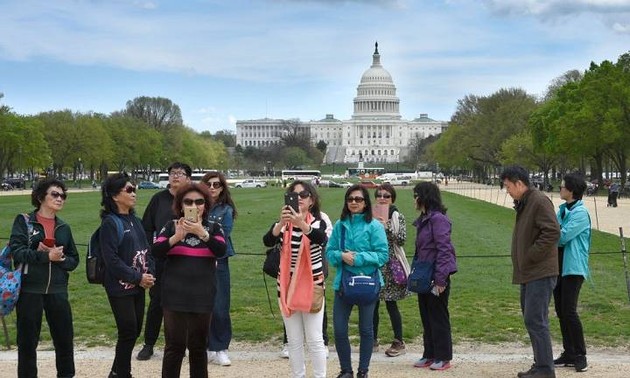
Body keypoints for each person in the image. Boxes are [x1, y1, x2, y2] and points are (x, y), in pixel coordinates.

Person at [151, 183, 226, 378]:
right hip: (174, 295)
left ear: (205, 205)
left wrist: (203, 233)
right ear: (181, 205)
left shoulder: (214, 227)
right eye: (189, 201)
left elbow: (221, 250)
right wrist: (176, 237)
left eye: (199, 201)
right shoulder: (170, 226)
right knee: (174, 348)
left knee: (198, 348)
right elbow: (156, 252)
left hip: (202, 295)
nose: (194, 205)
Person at [10, 178, 79, 378]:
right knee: (27, 343)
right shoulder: (24, 221)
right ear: (41, 197)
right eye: (55, 194)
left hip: (58, 291)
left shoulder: (64, 227)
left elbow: (74, 261)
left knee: (65, 340)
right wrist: (44, 255)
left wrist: (59, 258)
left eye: (63, 195)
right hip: (30, 290)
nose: (60, 199)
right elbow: (17, 252)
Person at [263, 180, 328, 378]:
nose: (298, 199)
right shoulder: (284, 224)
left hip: (311, 285)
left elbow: (320, 238)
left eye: (303, 195)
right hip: (286, 285)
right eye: (294, 195)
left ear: (312, 200)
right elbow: (267, 240)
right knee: (294, 340)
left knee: (315, 339)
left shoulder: (318, 220)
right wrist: (282, 223)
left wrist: (301, 223)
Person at [500, 166, 560, 378]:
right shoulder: (525, 202)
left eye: (508, 186)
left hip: (540, 271)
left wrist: (531, 255)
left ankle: (545, 369)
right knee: (532, 318)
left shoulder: (539, 201)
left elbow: (552, 231)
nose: (507, 190)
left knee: (535, 319)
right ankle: (540, 364)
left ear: (519, 183)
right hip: (530, 271)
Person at [326, 184, 389, 378]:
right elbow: (330, 252)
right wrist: (342, 256)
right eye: (350, 199)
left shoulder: (375, 226)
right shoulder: (340, 225)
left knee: (366, 330)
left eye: (358, 199)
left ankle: (363, 370)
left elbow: (383, 255)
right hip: (344, 283)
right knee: (339, 329)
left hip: (367, 282)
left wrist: (358, 258)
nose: (354, 202)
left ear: (365, 202)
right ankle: (346, 369)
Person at [100, 173, 156, 378]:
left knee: (133, 331)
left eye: (135, 189)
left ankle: (117, 372)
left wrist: (149, 274)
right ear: (115, 196)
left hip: (138, 285)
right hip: (120, 286)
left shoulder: (135, 220)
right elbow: (111, 260)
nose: (134, 194)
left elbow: (147, 250)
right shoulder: (110, 223)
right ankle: (122, 373)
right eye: (129, 190)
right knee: (128, 330)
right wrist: (137, 277)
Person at [137, 162, 192, 361]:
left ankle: (180, 344)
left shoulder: (191, 199)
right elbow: (146, 227)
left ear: (188, 178)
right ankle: (149, 343)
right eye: (172, 173)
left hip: (186, 258)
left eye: (180, 173)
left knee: (184, 303)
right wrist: (151, 251)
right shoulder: (158, 199)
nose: (175, 176)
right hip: (161, 258)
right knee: (157, 302)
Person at [410, 182, 457, 371]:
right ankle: (429, 353)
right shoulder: (424, 219)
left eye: (416, 195)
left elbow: (444, 250)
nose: (414, 199)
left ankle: (443, 356)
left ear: (424, 197)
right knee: (427, 316)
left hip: (436, 275)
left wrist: (440, 280)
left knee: (438, 317)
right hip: (424, 274)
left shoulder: (438, 220)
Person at [553, 173, 591, 372]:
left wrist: (553, 229)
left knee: (569, 311)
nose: (559, 189)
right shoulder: (562, 210)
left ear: (571, 190)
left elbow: (562, 237)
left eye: (561, 187)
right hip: (558, 267)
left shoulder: (580, 213)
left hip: (573, 268)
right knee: (560, 311)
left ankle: (580, 354)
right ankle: (568, 352)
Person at [201, 172, 238, 366]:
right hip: (197, 260)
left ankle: (220, 347)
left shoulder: (226, 210)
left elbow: (223, 234)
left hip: (219, 260)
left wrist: (202, 234)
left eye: (217, 185)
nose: (213, 187)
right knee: (201, 305)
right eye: (209, 184)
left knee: (220, 306)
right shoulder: (196, 204)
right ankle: (206, 346)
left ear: (222, 188)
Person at [371, 184, 410, 357]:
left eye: (386, 196)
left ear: (392, 198)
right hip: (375, 264)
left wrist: (385, 226)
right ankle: (372, 339)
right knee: (372, 304)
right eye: (379, 195)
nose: (382, 198)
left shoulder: (397, 216)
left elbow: (401, 239)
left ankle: (398, 340)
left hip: (391, 266)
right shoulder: (370, 215)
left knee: (391, 304)